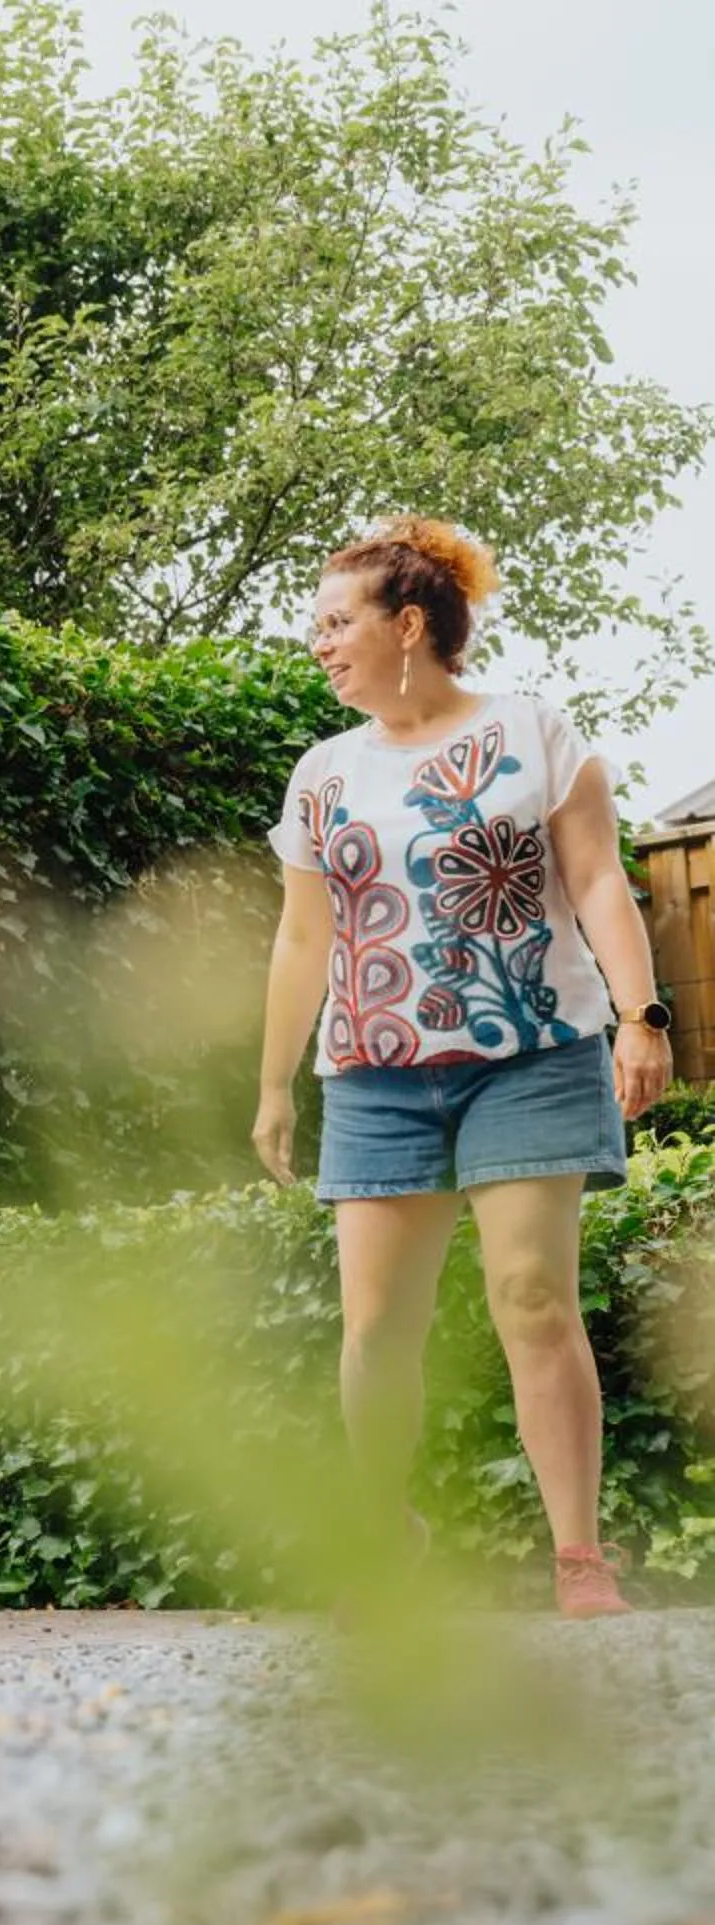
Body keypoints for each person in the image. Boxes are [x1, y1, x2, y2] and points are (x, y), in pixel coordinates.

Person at [255, 517, 672, 1618]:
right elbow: (303, 939)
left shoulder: (533, 732)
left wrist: (642, 1013)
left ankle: (579, 1557)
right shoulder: (324, 774)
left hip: (529, 1054)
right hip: (376, 1075)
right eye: (315, 625)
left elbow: (597, 884)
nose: (319, 642)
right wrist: (272, 1083)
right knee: (377, 1330)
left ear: (409, 624)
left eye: (335, 621)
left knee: (532, 1296)